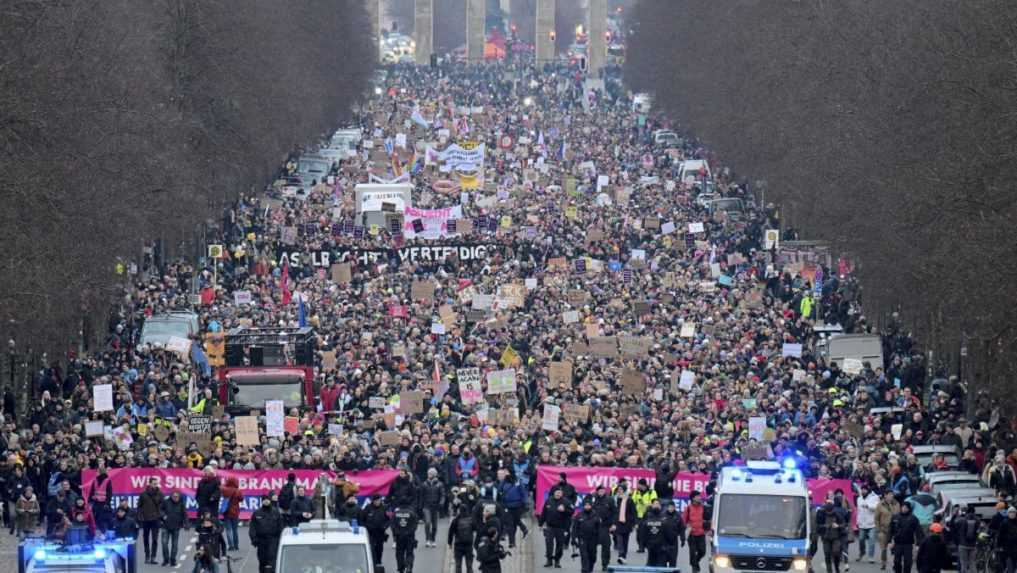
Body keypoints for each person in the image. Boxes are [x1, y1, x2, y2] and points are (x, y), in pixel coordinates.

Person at [538, 488, 573, 568]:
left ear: (562, 494)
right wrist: (540, 524)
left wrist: (564, 510)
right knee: (549, 543)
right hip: (550, 526)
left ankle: (557, 561)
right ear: (554, 493)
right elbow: (544, 513)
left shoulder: (566, 502)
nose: (558, 494)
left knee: (560, 545)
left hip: (561, 527)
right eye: (556, 492)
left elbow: (572, 512)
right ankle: (549, 560)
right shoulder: (549, 500)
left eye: (559, 493)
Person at [250, 495, 284, 573]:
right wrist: (254, 539)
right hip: (261, 541)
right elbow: (252, 528)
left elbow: (280, 526)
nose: (266, 501)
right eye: (264, 500)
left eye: (267, 499)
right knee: (262, 561)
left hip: (273, 540)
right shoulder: (257, 513)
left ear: (270, 501)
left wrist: (280, 539)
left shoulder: (276, 512)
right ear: (262, 501)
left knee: (271, 560)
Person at [889, 502, 924, 573]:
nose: (904, 509)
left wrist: (918, 544)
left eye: (906, 508)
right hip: (898, 543)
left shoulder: (913, 518)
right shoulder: (895, 517)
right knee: (897, 561)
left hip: (908, 544)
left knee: (908, 562)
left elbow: (918, 532)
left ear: (909, 509)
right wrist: (889, 541)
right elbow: (890, 530)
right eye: (903, 507)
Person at [137, 477, 164, 564]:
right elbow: (139, 506)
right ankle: (147, 556)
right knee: (146, 538)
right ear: (149, 484)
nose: (156, 485)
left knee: (155, 539)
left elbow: (163, 506)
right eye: (154, 483)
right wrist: (140, 516)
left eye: (156, 484)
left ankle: (153, 557)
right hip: (146, 519)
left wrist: (160, 515)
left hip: (156, 519)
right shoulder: (143, 494)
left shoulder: (160, 494)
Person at [682, 490, 709, 573]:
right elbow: (684, 521)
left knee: (702, 552)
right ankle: (694, 568)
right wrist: (687, 527)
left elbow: (707, 519)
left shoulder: (703, 507)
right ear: (693, 498)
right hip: (692, 535)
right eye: (697, 496)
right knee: (692, 553)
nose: (699, 497)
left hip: (701, 534)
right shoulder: (688, 508)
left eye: (699, 496)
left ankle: (695, 562)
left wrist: (708, 529)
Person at [573, 498, 602, 573]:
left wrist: (599, 539)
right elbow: (574, 528)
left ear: (591, 506)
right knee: (584, 555)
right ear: (583, 506)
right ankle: (584, 570)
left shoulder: (596, 515)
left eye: (588, 505)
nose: (587, 506)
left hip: (593, 538)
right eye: (585, 505)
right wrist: (574, 538)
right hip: (582, 538)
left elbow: (599, 528)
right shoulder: (579, 515)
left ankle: (590, 567)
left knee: (592, 556)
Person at [591, 485, 616, 571]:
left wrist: (613, 524)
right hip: (593, 527)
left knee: (606, 546)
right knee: (591, 547)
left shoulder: (610, 499)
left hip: (605, 526)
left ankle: (605, 564)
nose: (601, 492)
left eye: (603, 490)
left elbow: (614, 513)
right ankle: (591, 562)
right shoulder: (592, 499)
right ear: (597, 491)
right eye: (599, 490)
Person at [500, 474, 529, 548]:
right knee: (510, 524)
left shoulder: (518, 482)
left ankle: (523, 530)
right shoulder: (505, 482)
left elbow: (523, 492)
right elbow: (499, 490)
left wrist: (525, 503)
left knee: (515, 521)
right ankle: (512, 542)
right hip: (507, 506)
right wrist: (503, 481)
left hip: (517, 506)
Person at [818, 501, 848, 573]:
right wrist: (825, 526)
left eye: (830, 511)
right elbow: (818, 525)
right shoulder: (822, 515)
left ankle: (837, 567)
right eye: (827, 511)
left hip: (836, 537)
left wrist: (838, 526)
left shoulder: (837, 515)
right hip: (825, 538)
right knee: (827, 554)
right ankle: (829, 570)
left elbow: (844, 524)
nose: (829, 513)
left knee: (836, 553)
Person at [613, 481, 638, 564]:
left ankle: (624, 556)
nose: (619, 491)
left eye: (621, 489)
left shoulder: (629, 500)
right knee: (619, 539)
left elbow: (634, 512)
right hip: (618, 523)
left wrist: (634, 523)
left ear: (624, 490)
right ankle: (620, 555)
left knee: (625, 541)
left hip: (627, 523)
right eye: (618, 489)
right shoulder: (615, 499)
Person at [390, 501, 419, 573]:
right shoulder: (412, 513)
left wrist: (397, 533)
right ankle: (408, 565)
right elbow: (415, 525)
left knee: (399, 553)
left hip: (399, 537)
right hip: (410, 537)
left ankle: (400, 568)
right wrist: (408, 532)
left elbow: (393, 525)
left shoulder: (395, 514)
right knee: (410, 553)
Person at [876, 491, 901, 571]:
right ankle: (883, 563)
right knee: (883, 548)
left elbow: (900, 516)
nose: (891, 496)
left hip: (895, 530)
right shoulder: (880, 505)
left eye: (892, 494)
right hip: (884, 529)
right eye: (889, 495)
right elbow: (876, 518)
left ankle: (895, 563)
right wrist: (878, 529)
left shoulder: (897, 504)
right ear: (885, 495)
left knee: (895, 548)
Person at [361, 494, 390, 566]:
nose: (377, 502)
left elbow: (389, 520)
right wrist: (367, 527)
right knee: (372, 548)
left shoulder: (384, 508)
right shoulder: (368, 508)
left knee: (379, 549)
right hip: (371, 533)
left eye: (379, 500)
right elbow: (362, 519)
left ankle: (379, 562)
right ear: (373, 501)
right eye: (376, 501)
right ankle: (373, 562)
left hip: (380, 532)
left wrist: (384, 527)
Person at [161, 490, 187, 567]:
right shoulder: (166, 502)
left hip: (176, 526)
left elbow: (184, 514)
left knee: (174, 544)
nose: (176, 498)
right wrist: (163, 516)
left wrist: (186, 523)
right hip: (166, 526)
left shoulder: (181, 504)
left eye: (177, 496)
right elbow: (160, 510)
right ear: (171, 496)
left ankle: (173, 560)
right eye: (174, 496)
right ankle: (166, 559)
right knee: (164, 543)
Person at [631, 479, 657, 554]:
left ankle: (645, 546)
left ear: (643, 485)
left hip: (648, 515)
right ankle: (640, 546)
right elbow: (632, 502)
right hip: (638, 515)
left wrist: (644, 502)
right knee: (639, 532)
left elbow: (654, 503)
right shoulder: (636, 492)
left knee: (647, 532)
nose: (638, 486)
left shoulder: (651, 492)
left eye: (639, 484)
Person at [422, 468, 446, 548]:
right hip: (427, 506)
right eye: (428, 473)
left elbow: (443, 494)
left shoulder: (439, 484)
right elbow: (421, 496)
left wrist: (441, 502)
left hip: (435, 507)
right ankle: (427, 539)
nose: (429, 475)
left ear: (434, 475)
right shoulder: (424, 484)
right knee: (428, 523)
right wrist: (420, 506)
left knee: (435, 525)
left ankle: (433, 539)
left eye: (430, 474)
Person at [449, 504, 476, 573]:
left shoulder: (456, 520)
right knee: (469, 565)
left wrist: (450, 543)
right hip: (468, 545)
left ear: (459, 511)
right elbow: (476, 529)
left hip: (458, 545)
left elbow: (451, 532)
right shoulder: (471, 519)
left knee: (458, 565)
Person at [639, 499, 667, 567]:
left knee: (661, 564)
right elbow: (642, 530)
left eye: (658, 504)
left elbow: (668, 531)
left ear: (660, 506)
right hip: (650, 543)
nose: (656, 505)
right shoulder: (647, 514)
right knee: (651, 564)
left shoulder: (664, 515)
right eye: (655, 504)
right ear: (652, 505)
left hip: (661, 545)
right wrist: (642, 545)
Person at [856, 485, 879, 563]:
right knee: (861, 539)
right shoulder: (859, 499)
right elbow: (858, 511)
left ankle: (871, 556)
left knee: (872, 540)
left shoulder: (874, 497)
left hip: (871, 522)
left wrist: (868, 506)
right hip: (862, 523)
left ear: (868, 490)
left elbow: (877, 507)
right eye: (862, 490)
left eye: (864, 490)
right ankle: (862, 552)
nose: (863, 491)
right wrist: (857, 521)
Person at [662, 500, 686, 568]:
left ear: (674, 507)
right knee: (663, 561)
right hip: (664, 541)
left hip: (673, 541)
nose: (671, 508)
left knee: (673, 561)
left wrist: (682, 539)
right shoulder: (663, 515)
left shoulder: (678, 516)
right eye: (669, 507)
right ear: (667, 507)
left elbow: (682, 528)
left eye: (672, 507)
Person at [220, 476, 242, 551]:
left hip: (227, 512)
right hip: (235, 511)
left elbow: (221, 490)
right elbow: (241, 499)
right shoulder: (238, 491)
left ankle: (231, 546)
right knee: (235, 529)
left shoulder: (225, 490)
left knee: (228, 529)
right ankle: (236, 545)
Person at [998, 507, 1017, 573]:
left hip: (1014, 548)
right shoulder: (1004, 522)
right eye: (1011, 512)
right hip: (1007, 548)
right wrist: (999, 545)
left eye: (1013, 512)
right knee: (1009, 566)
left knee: (1014, 566)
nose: (1012, 514)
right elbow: (1000, 535)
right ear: (1008, 513)